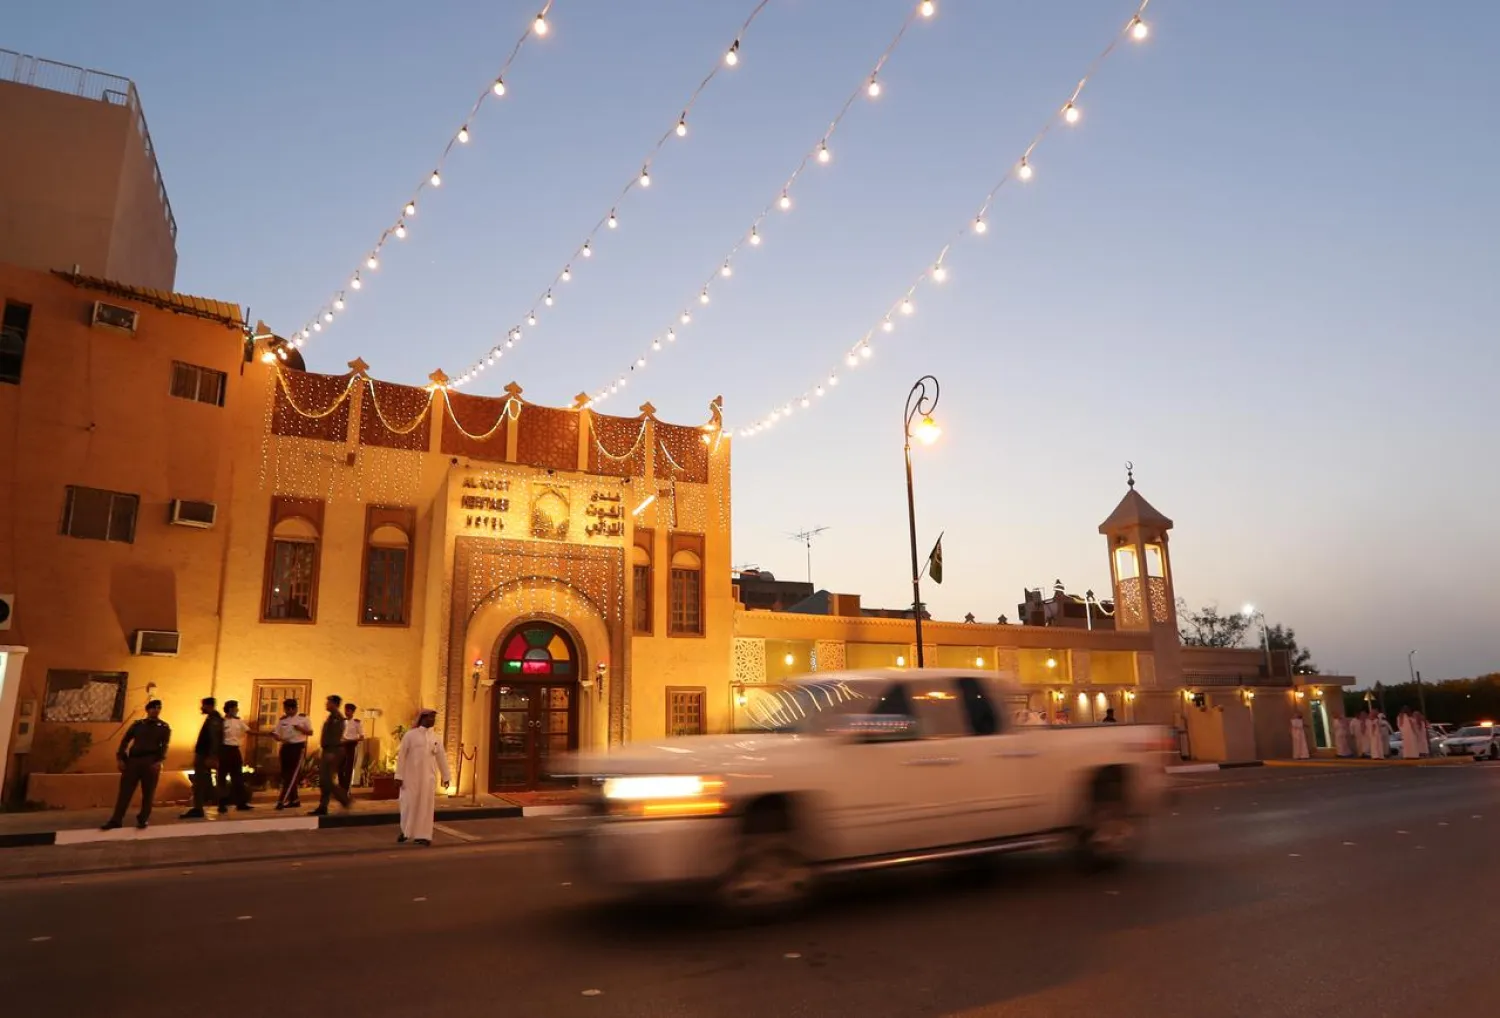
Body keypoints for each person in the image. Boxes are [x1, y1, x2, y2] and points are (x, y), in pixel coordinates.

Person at [102, 700, 171, 831]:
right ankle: (116, 819)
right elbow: (125, 740)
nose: (156, 710)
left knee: (148, 793)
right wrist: (121, 758)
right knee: (125, 792)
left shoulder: (163, 727)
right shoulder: (138, 725)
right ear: (148, 710)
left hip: (150, 761)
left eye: (158, 708)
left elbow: (165, 746)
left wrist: (159, 761)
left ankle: (143, 818)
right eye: (153, 708)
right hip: (134, 761)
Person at [396, 708, 452, 846]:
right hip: (411, 778)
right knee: (409, 804)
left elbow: (441, 758)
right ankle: (406, 832)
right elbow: (402, 756)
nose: (432, 720)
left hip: (428, 778)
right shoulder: (410, 735)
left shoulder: (436, 738)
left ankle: (423, 835)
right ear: (422, 719)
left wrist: (446, 777)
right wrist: (399, 776)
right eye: (430, 718)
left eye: (434, 718)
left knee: (426, 806)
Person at [181, 697, 224, 819]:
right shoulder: (212, 718)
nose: (201, 708)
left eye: (203, 705)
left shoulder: (214, 719)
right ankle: (204, 805)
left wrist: (212, 756)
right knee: (203, 783)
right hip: (204, 755)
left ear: (209, 706)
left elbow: (215, 739)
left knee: (199, 783)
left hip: (205, 755)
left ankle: (199, 808)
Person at [310, 695, 353, 816]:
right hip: (328, 750)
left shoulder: (337, 718)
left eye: (328, 702)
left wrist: (331, 752)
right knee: (325, 780)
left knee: (326, 780)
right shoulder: (331, 717)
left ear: (335, 704)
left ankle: (344, 799)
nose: (326, 704)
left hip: (333, 750)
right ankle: (323, 806)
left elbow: (335, 735)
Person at [273, 698, 313, 809]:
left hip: (297, 748)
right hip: (285, 747)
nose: (287, 712)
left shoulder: (303, 718)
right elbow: (276, 734)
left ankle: (282, 800)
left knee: (292, 775)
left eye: (289, 709)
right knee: (286, 775)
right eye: (286, 709)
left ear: (294, 708)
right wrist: (277, 737)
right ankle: (294, 800)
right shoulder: (283, 720)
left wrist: (300, 728)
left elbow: (310, 732)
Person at [217, 700, 252, 812]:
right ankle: (222, 804)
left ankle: (241, 803)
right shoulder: (221, 722)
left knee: (238, 777)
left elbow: (249, 731)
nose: (236, 710)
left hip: (235, 750)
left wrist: (267, 734)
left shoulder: (239, 721)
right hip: (224, 750)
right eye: (235, 708)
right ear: (230, 709)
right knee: (222, 777)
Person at [338, 702, 364, 793]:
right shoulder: (342, 721)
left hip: (351, 746)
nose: (346, 712)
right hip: (341, 746)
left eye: (348, 710)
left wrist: (350, 740)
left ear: (352, 712)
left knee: (348, 769)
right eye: (345, 710)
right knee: (339, 768)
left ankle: (346, 790)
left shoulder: (356, 723)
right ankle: (342, 787)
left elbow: (361, 737)